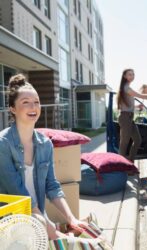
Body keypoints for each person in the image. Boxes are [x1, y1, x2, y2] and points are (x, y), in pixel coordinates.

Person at [0, 74, 87, 239]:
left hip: (37, 215)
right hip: (11, 220)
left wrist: (72, 218)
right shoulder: (3, 144)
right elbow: (19, 194)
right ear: (12, 108)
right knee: (69, 241)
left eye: (37, 102)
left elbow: (52, 186)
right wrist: (50, 229)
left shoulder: (45, 144)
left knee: (80, 231)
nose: (33, 107)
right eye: (25, 102)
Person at [117, 69, 147, 162]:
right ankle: (120, 166)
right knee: (124, 144)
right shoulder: (126, 88)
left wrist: (137, 106)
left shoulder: (126, 88)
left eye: (133, 74)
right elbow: (141, 95)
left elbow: (127, 106)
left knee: (138, 140)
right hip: (125, 118)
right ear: (125, 76)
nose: (132, 76)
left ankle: (130, 160)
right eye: (129, 74)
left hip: (129, 117)